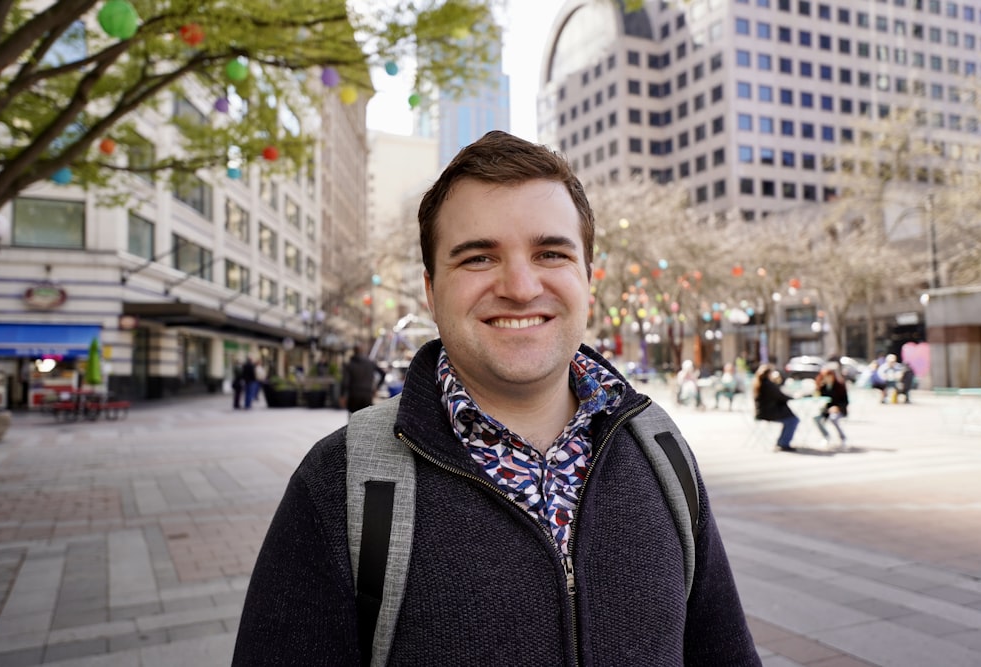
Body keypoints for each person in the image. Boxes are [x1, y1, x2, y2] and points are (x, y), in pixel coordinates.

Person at [233, 130, 759, 665]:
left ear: (588, 280)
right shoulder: (339, 483)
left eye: (551, 252)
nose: (521, 286)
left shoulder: (662, 453)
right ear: (431, 292)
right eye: (479, 258)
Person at [753, 363, 799, 451]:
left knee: (791, 419)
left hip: (764, 412)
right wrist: (794, 397)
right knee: (793, 420)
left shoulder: (760, 383)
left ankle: (782, 441)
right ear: (769, 374)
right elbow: (780, 396)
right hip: (769, 413)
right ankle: (783, 443)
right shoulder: (767, 384)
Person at [340, 344, 385, 413]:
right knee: (365, 419)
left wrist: (342, 395)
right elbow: (383, 373)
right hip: (367, 395)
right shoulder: (370, 363)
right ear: (362, 351)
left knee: (353, 419)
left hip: (354, 396)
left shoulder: (350, 364)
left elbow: (345, 382)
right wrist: (377, 387)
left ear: (354, 351)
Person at [814, 367, 849, 448]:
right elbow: (817, 398)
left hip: (838, 410)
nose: (827, 378)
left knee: (833, 418)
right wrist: (818, 387)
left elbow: (845, 401)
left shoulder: (840, 386)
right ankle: (826, 436)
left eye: (828, 376)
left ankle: (842, 437)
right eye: (824, 377)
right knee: (816, 419)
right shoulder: (822, 386)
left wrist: (837, 408)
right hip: (826, 411)